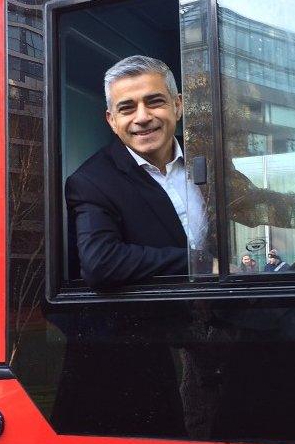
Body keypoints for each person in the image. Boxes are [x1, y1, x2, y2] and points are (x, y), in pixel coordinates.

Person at [64, 55, 208, 289]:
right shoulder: (91, 182)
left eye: (154, 102)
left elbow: (249, 203)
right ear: (112, 121)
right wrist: (200, 264)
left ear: (178, 105)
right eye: (127, 108)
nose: (142, 117)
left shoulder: (206, 155)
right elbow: (101, 263)